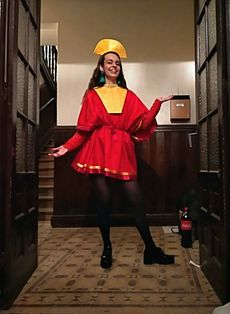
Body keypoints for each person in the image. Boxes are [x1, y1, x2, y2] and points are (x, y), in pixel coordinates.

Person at [50, 38, 175, 269]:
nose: (114, 65)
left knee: (136, 202)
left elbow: (142, 122)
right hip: (97, 150)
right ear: (101, 67)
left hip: (122, 150)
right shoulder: (92, 95)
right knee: (104, 203)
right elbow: (83, 131)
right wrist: (66, 147)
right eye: (109, 62)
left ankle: (151, 248)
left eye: (117, 62)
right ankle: (107, 248)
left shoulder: (128, 94)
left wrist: (157, 103)